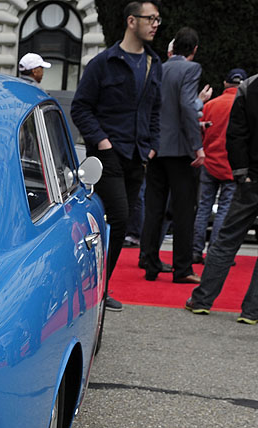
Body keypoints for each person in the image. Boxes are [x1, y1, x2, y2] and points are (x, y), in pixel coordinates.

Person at [70, 1, 162, 311]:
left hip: (138, 154)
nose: (155, 24)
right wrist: (103, 142)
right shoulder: (104, 63)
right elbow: (80, 107)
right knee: (119, 216)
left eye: (158, 20)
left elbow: (155, 109)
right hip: (108, 154)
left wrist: (153, 144)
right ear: (131, 21)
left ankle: (101, 286)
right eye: (150, 19)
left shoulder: (154, 64)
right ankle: (92, 286)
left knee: (122, 224)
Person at [186, 72, 258, 325]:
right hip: (245, 174)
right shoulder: (247, 89)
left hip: (247, 175)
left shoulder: (248, 88)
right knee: (225, 233)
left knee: (226, 237)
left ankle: (202, 299)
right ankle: (252, 310)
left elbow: (236, 135)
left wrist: (241, 172)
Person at [139, 27, 205, 284]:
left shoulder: (158, 68)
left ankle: (150, 263)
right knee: (184, 210)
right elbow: (188, 106)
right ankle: (182, 269)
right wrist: (197, 145)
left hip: (156, 147)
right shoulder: (191, 69)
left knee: (154, 207)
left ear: (173, 48)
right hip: (180, 150)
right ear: (194, 49)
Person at [191, 68, 248, 263]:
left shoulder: (210, 105)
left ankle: (195, 251)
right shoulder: (245, 106)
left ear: (225, 83)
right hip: (232, 165)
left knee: (204, 207)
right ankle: (215, 253)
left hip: (209, 161)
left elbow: (198, 133)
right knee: (225, 208)